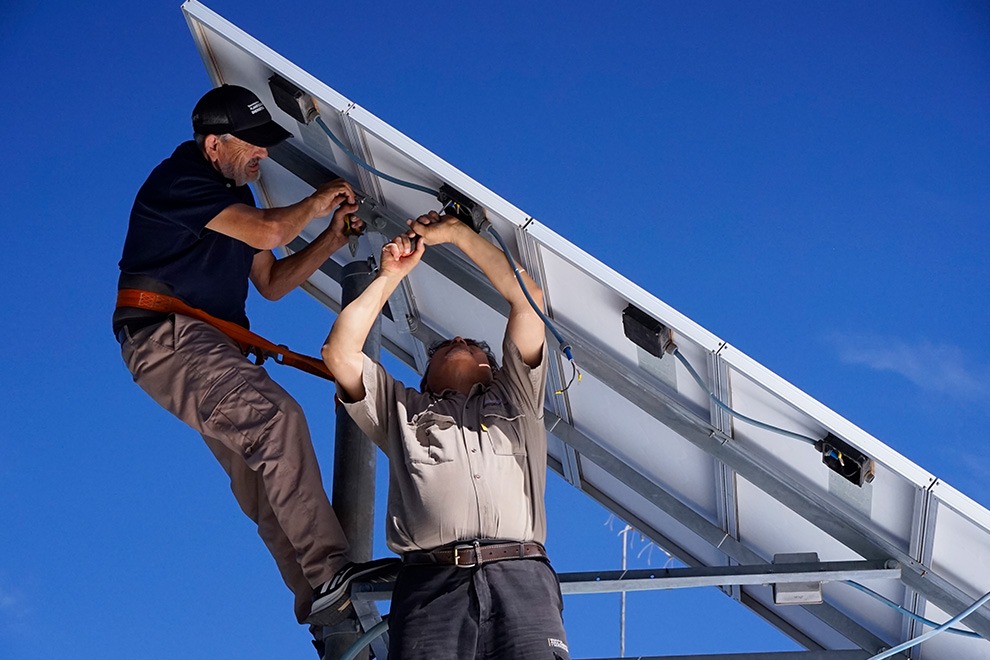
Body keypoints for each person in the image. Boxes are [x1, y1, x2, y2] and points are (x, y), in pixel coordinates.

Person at [113, 84, 395, 629]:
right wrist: (315, 202)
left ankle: (325, 611)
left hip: (201, 347)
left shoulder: (235, 201)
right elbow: (271, 230)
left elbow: (271, 282)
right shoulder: (181, 180)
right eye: (253, 143)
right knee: (276, 421)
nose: (263, 153)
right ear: (214, 144)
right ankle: (332, 573)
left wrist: (330, 240)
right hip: (169, 338)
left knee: (262, 482)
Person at [322, 211, 571, 659]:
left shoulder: (517, 395)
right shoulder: (401, 410)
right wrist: (390, 275)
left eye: (473, 345)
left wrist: (458, 234)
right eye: (442, 347)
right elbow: (339, 353)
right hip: (429, 587)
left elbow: (528, 298)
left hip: (521, 578)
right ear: (424, 378)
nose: (457, 338)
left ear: (493, 369)